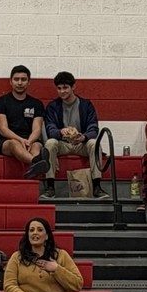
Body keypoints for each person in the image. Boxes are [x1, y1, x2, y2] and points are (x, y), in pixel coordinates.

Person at [42, 72, 106, 200]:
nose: (62, 91)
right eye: (59, 88)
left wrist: (84, 137)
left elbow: (93, 127)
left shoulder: (86, 105)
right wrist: (60, 131)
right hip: (63, 144)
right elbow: (50, 129)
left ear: (73, 87)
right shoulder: (52, 107)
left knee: (94, 143)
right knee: (49, 143)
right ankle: (50, 187)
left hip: (81, 143)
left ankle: (97, 186)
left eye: (65, 87)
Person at [0, 65, 50, 180]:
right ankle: (36, 162)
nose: (20, 82)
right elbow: (3, 129)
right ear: (11, 82)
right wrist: (20, 140)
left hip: (30, 140)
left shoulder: (36, 104)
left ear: (29, 82)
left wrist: (29, 141)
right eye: (16, 79)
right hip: (7, 141)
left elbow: (37, 128)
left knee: (37, 145)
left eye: (23, 79)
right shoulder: (1, 102)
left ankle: (34, 170)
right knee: (14, 143)